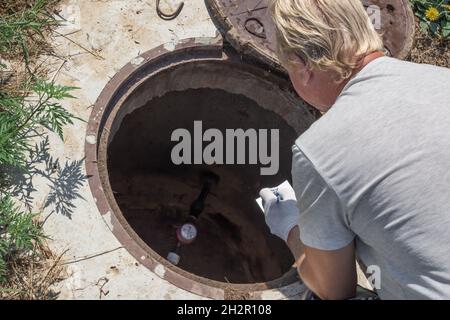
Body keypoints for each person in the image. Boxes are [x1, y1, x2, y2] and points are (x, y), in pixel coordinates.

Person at [260, 0, 450, 300]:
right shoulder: (443, 80)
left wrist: (289, 228)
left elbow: (333, 289)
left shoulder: (319, 150)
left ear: (302, 68)